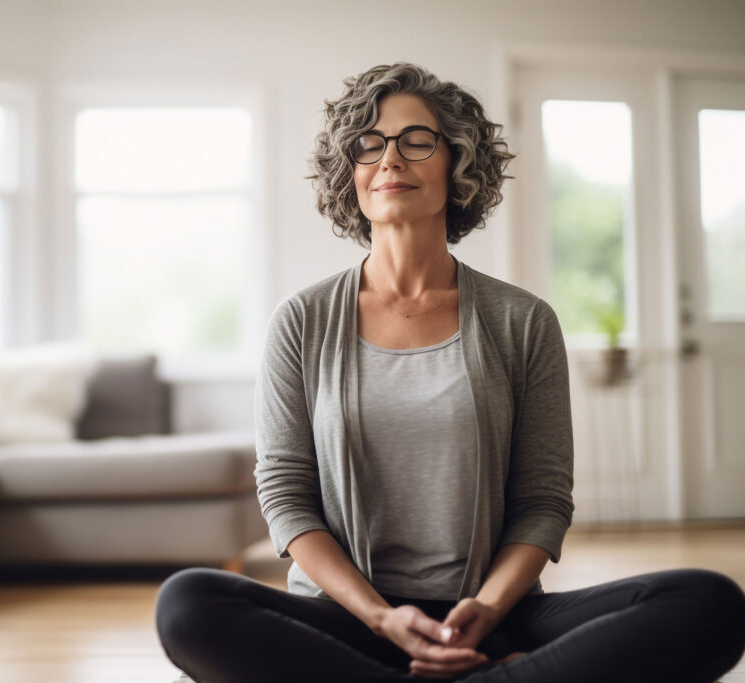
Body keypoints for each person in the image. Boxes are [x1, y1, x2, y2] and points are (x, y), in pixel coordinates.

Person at [154, 62, 745, 682]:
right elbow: (286, 498)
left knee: (707, 603)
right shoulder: (301, 321)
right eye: (369, 144)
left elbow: (542, 502)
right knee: (189, 603)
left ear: (457, 162)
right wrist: (383, 618)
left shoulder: (524, 321)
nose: (390, 159)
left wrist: (486, 610)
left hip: (489, 618)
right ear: (348, 172)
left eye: (416, 140)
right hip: (348, 620)